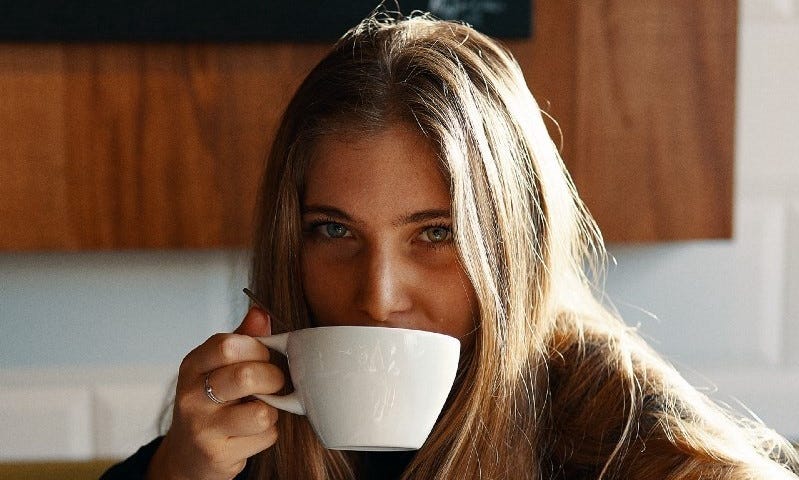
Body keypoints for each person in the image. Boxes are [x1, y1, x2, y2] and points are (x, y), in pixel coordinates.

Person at [102, 11, 799, 480]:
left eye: (436, 234)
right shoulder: (225, 450)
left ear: (514, 246)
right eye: (334, 231)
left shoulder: (630, 447)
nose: (376, 296)